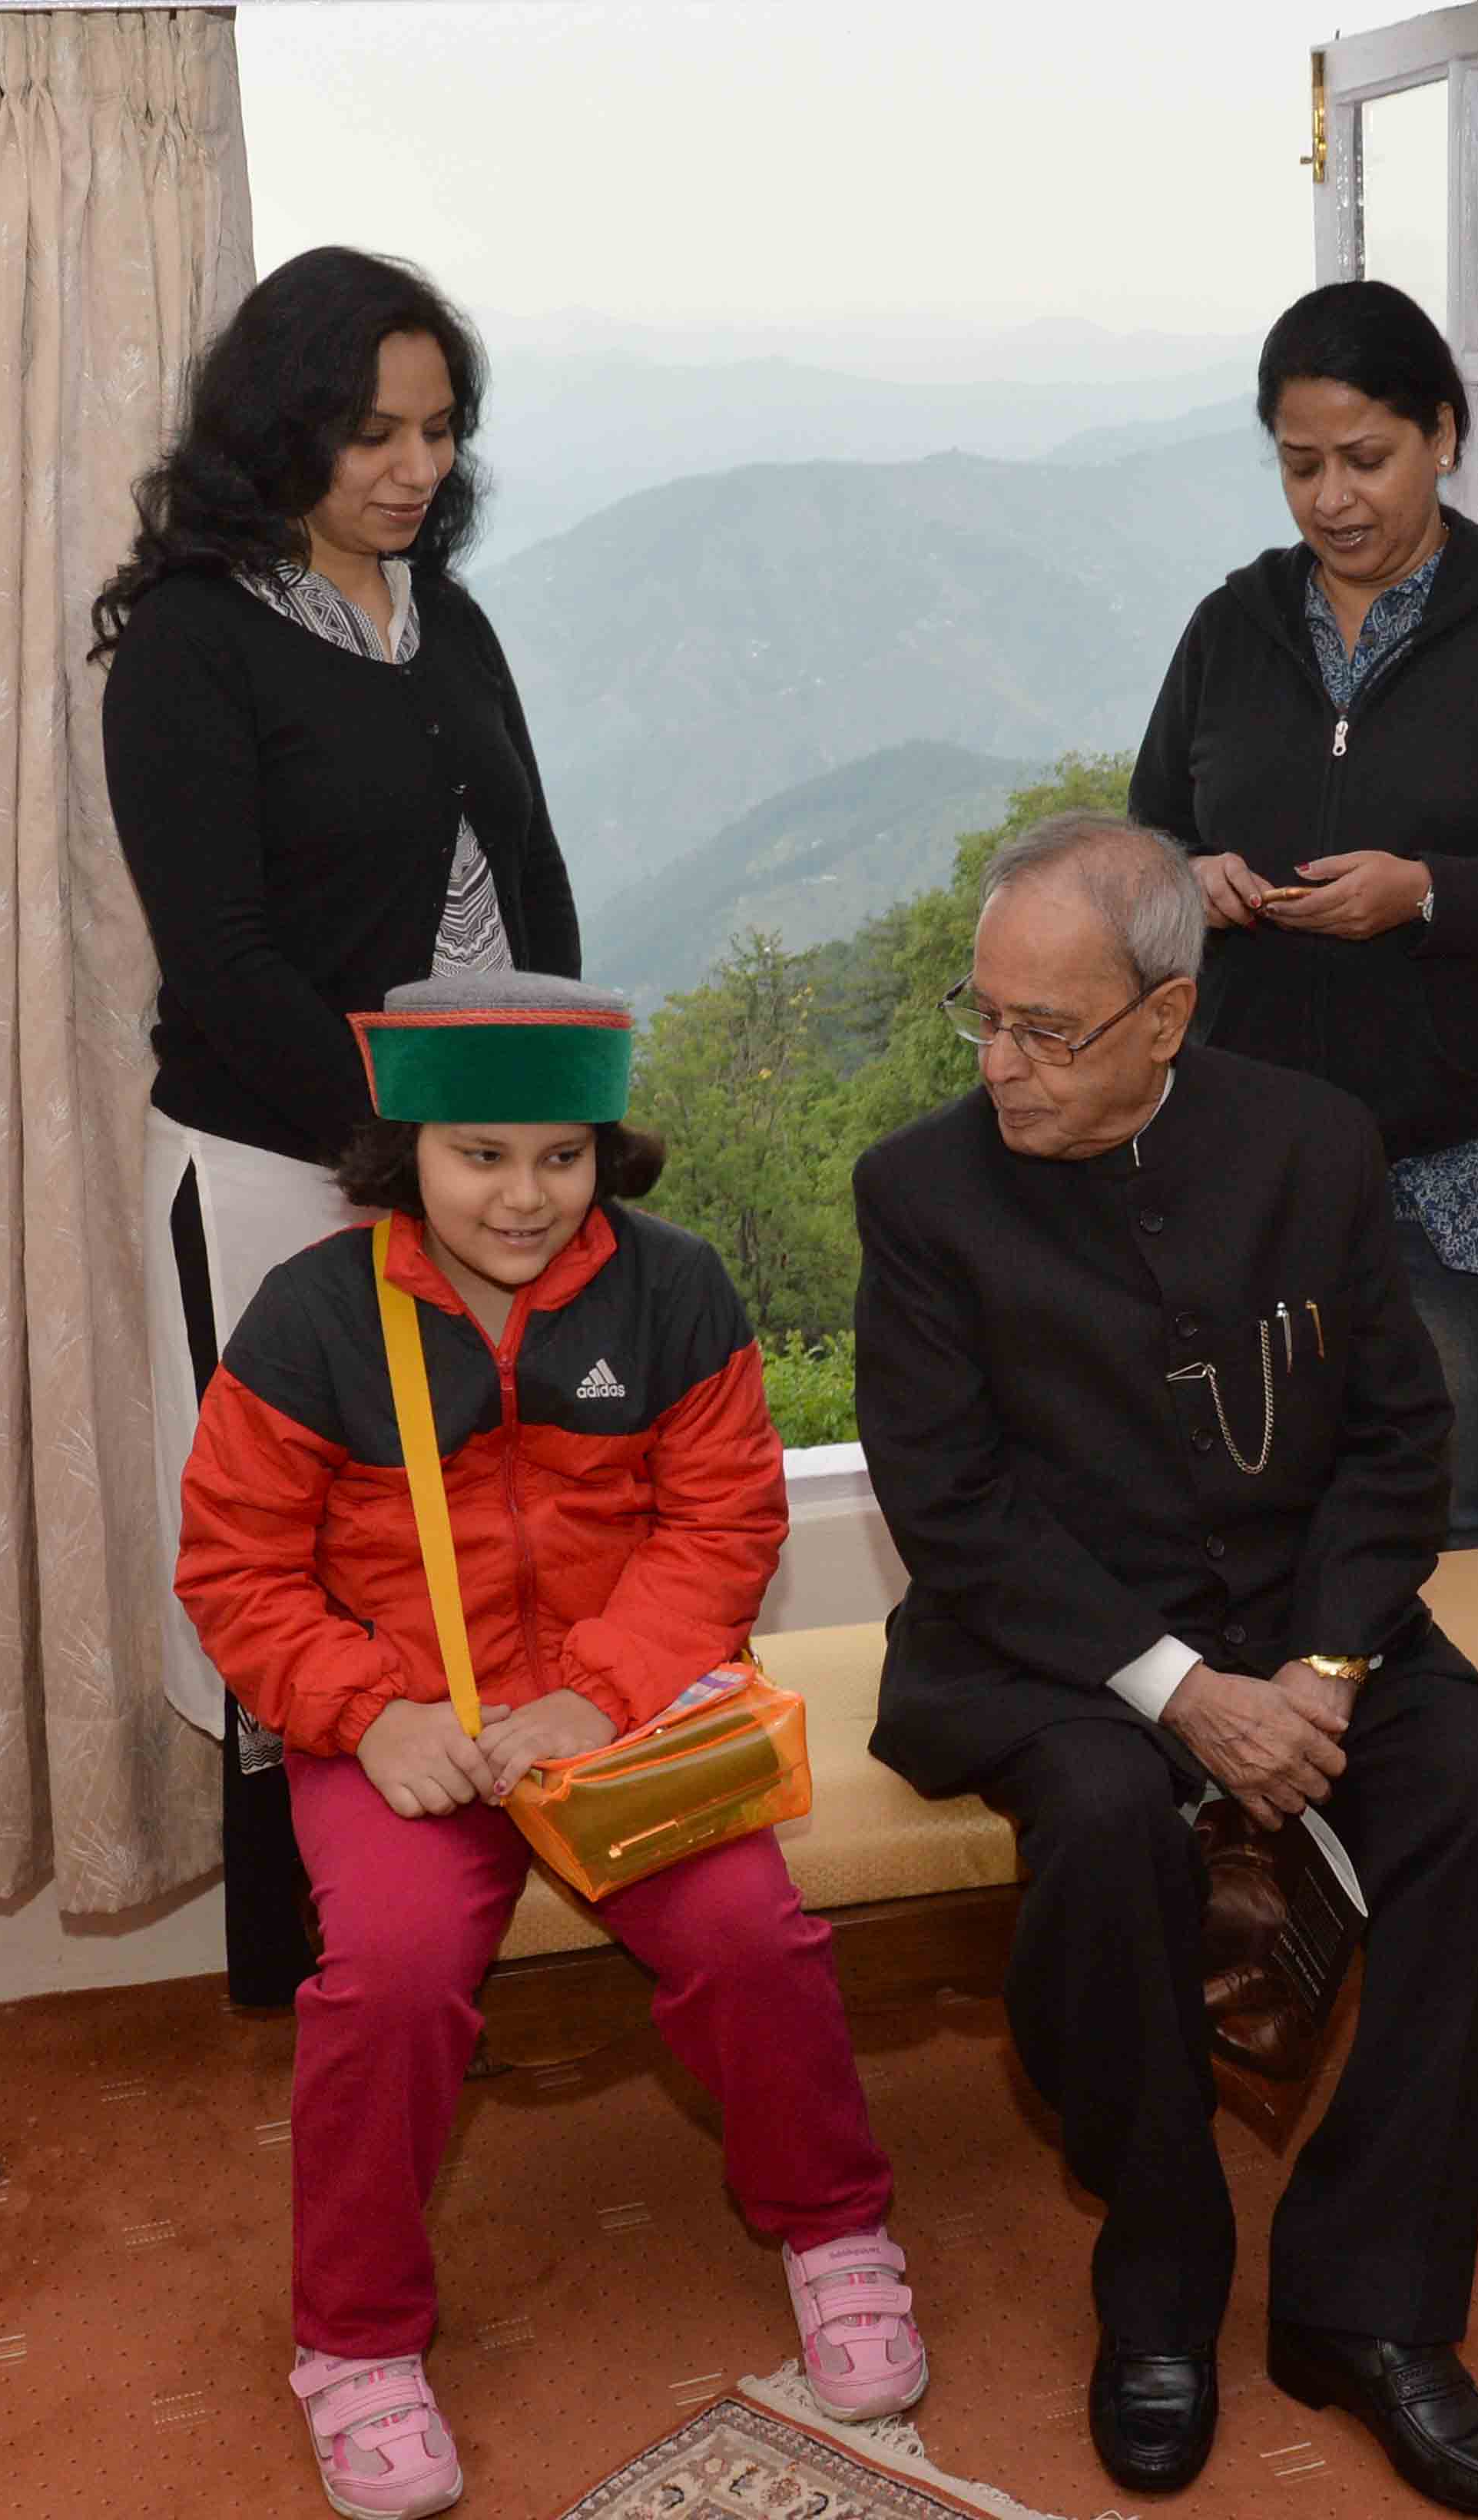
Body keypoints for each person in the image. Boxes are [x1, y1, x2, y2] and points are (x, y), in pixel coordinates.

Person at [851, 815, 1478, 2515]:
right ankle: (1157, 2288)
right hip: (1055, 1637)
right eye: (985, 1017)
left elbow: (1400, 1432)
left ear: (1166, 1018)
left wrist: (1322, 1662)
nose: (1002, 1064)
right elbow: (953, 1508)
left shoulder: (1311, 1140)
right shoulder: (923, 1190)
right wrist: (1178, 1686)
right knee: (1098, 1820)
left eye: (1049, 1028)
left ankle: (1367, 2309)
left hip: (1311, 1618)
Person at [179, 973, 925, 2520]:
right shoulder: (311, 1316)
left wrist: (599, 1691)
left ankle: (835, 2232)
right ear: (409, 1151)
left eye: (560, 1155)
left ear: (605, 1152)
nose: (522, 1194)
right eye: (481, 1153)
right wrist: (368, 1713)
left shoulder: (676, 1290)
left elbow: (724, 1523)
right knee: (384, 1972)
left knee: (748, 1930)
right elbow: (236, 1570)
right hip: (400, 1729)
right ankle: (356, 2342)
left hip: (618, 1715)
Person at [94, 247, 584, 2007]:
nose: (412, 467)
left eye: (438, 430)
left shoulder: (447, 621)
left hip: (468, 1172)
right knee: (298, 1545)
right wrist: (404, 1151)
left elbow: (528, 884)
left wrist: (538, 1122)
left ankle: (454, 1908)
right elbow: (218, 959)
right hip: (271, 1168)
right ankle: (305, 1958)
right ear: (278, 426)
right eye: (370, 431)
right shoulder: (188, 644)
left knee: (461, 1518)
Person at [1132, 280, 1478, 1553]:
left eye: (1366, 459)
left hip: (1459, 1144)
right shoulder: (1231, 629)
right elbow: (1144, 832)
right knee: (1250, 1489)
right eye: (1300, 464)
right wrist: (1187, 877)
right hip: (1251, 1149)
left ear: (1444, 435)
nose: (1333, 499)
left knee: (1435, 1500)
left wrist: (1427, 893)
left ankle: (1448, 1751)